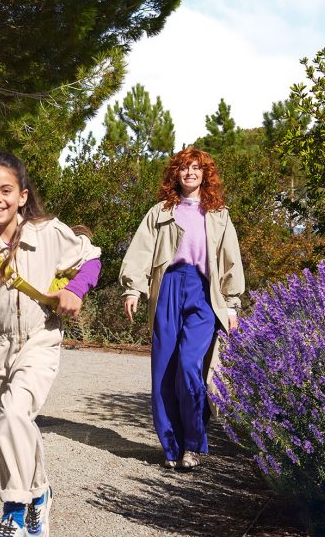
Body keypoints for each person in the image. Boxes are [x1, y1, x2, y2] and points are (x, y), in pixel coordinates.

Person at [0, 151, 101, 537]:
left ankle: (15, 509)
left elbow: (91, 257)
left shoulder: (48, 233)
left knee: (11, 416)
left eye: (6, 190)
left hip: (40, 340)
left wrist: (76, 289)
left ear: (22, 196)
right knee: (16, 425)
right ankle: (41, 492)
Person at [118, 147, 244, 470]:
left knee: (190, 365)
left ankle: (194, 442)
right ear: (176, 174)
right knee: (163, 370)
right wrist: (133, 288)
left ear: (205, 175)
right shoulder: (160, 212)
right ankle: (172, 449)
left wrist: (231, 306)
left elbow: (231, 262)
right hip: (168, 290)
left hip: (203, 293)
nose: (190, 173)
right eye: (184, 168)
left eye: (196, 169)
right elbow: (140, 252)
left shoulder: (218, 215)